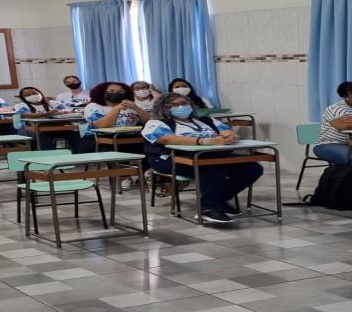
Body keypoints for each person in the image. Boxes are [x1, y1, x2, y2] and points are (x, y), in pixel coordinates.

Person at [142, 92, 261, 225]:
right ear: (163, 107)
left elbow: (226, 131)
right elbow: (166, 138)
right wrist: (205, 141)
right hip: (170, 159)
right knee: (212, 167)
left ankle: (217, 200)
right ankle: (209, 207)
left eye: (184, 103)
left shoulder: (206, 120)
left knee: (252, 168)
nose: (181, 107)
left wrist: (230, 137)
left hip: (210, 156)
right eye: (174, 105)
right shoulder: (156, 123)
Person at [13, 86, 78, 150]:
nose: (32, 95)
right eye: (28, 95)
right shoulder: (22, 106)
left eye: (34, 93)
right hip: (32, 130)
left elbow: (67, 111)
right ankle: (49, 157)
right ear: (23, 98)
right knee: (43, 136)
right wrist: (47, 113)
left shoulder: (54, 103)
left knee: (75, 135)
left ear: (40, 93)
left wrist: (61, 112)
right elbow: (24, 115)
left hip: (58, 127)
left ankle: (75, 154)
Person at [84, 82, 149, 128]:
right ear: (102, 93)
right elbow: (100, 125)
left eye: (120, 91)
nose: (116, 93)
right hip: (101, 140)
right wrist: (116, 109)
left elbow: (147, 122)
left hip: (131, 138)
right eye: (111, 91)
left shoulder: (130, 105)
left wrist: (136, 108)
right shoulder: (93, 106)